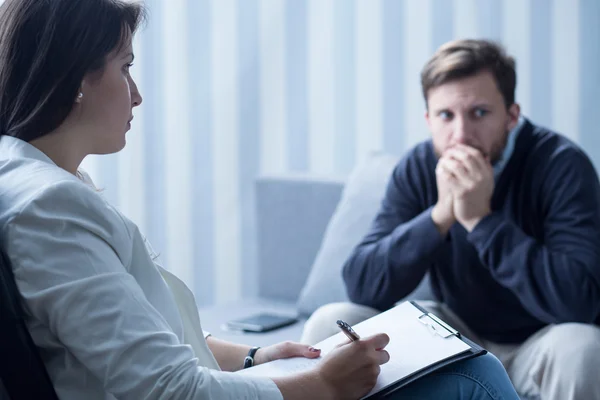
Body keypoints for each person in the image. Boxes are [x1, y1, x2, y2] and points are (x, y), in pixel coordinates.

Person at [0, 1, 520, 399]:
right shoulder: (50, 209)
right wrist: (321, 385)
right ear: (75, 80)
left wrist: (256, 355)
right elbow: (169, 389)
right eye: (125, 67)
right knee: (475, 376)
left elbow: (140, 338)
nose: (136, 94)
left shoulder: (42, 184)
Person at [301, 39, 600, 400]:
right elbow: (363, 285)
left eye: (479, 113)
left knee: (583, 347)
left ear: (512, 115)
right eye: (446, 116)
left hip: (540, 344)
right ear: (428, 120)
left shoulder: (562, 165)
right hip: (455, 340)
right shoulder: (418, 167)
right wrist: (440, 216)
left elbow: (579, 302)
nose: (460, 135)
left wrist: (480, 220)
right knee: (327, 323)